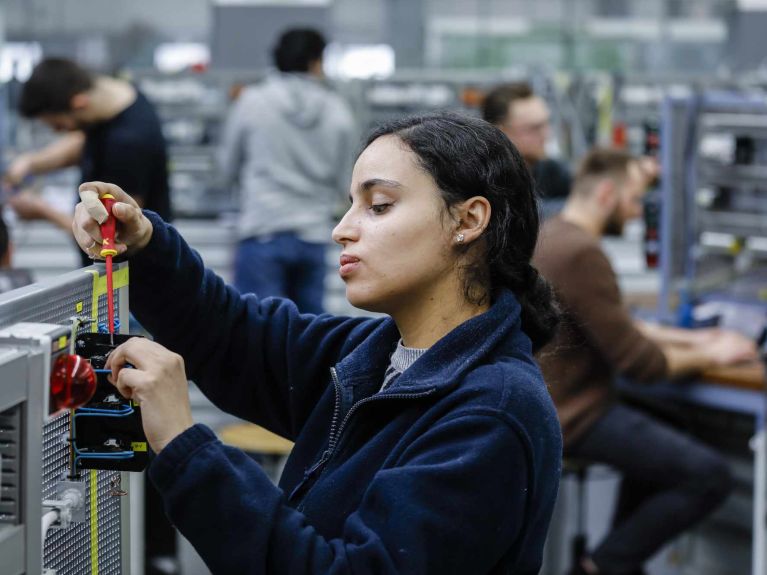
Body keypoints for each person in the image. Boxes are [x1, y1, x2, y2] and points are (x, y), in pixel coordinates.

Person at [73, 112, 562, 574]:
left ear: (468, 220)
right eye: (350, 205)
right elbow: (234, 337)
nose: (341, 230)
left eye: (379, 206)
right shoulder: (378, 358)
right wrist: (146, 245)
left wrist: (184, 445)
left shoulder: (490, 414)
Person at [533, 147, 758, 575]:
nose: (637, 214)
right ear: (605, 193)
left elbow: (616, 323)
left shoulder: (554, 235)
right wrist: (712, 353)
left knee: (672, 423)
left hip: (556, 403)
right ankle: (604, 564)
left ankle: (617, 561)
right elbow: (640, 363)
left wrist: (693, 338)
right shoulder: (583, 253)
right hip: (575, 415)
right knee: (709, 476)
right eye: (634, 200)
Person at [218, 27, 357, 312]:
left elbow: (226, 167)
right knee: (311, 339)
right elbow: (350, 183)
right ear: (317, 62)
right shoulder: (338, 111)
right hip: (314, 234)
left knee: (257, 333)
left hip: (261, 230)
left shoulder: (252, 102)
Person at [6, 57, 171, 267]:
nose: (60, 133)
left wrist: (42, 211)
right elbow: (83, 141)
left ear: (80, 103)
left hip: (130, 278)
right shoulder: (116, 96)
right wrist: (30, 163)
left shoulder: (129, 145)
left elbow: (119, 234)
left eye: (59, 125)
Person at [482, 82, 571, 201]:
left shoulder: (553, 172)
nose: (547, 134)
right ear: (500, 133)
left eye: (546, 124)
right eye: (534, 128)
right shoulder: (481, 183)